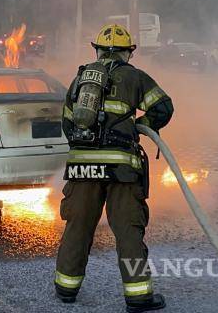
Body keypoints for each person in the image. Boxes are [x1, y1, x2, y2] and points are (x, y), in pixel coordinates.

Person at [55, 24, 174, 313]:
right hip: (121, 168)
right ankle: (138, 297)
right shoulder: (134, 77)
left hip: (83, 169)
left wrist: (86, 149)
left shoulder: (80, 79)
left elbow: (68, 123)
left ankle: (66, 289)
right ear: (128, 52)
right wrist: (141, 127)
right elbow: (164, 107)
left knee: (78, 226)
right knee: (128, 230)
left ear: (96, 49)